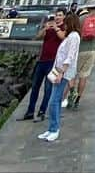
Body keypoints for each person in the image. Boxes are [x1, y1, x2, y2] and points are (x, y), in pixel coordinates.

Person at [39, 11, 81, 144]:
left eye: (67, 23)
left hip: (63, 72)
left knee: (54, 101)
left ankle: (54, 129)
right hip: (58, 70)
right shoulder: (70, 36)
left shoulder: (74, 37)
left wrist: (62, 72)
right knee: (54, 100)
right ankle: (51, 128)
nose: (65, 26)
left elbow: (70, 56)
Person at [18, 10, 66, 122]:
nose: (57, 17)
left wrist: (56, 28)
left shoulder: (63, 27)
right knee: (35, 87)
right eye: (56, 15)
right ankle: (30, 111)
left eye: (60, 15)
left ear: (64, 17)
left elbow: (63, 37)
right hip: (42, 60)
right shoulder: (49, 26)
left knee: (48, 88)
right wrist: (45, 28)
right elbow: (38, 37)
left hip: (53, 62)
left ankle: (42, 112)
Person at [71, 4, 95, 107]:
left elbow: (75, 33)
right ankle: (77, 99)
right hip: (92, 49)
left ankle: (71, 93)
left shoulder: (81, 19)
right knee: (84, 75)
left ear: (88, 8)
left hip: (79, 49)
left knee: (72, 74)